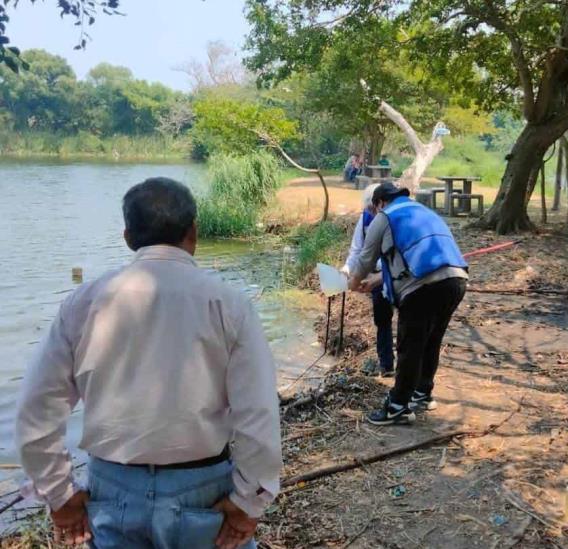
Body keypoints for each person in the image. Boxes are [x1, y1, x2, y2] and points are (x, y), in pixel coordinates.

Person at [16, 178, 282, 549]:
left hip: (112, 489)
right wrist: (249, 499)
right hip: (202, 487)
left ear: (127, 237)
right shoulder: (228, 304)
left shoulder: (84, 303)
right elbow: (258, 414)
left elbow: (36, 410)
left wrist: (58, 494)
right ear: (194, 232)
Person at [349, 182, 468, 425]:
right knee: (431, 340)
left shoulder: (384, 217)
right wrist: (376, 281)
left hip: (423, 289)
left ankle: (397, 407)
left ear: (379, 202)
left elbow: (363, 260)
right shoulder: (422, 211)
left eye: (373, 208)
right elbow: (417, 257)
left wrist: (351, 284)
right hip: (455, 281)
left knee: (409, 345)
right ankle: (423, 393)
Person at [341, 183, 394, 377]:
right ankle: (387, 365)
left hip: (398, 275)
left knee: (408, 320)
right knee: (382, 319)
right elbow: (357, 250)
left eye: (374, 207)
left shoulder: (394, 219)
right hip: (375, 276)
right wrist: (347, 268)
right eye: (369, 208)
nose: (372, 212)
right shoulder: (364, 219)